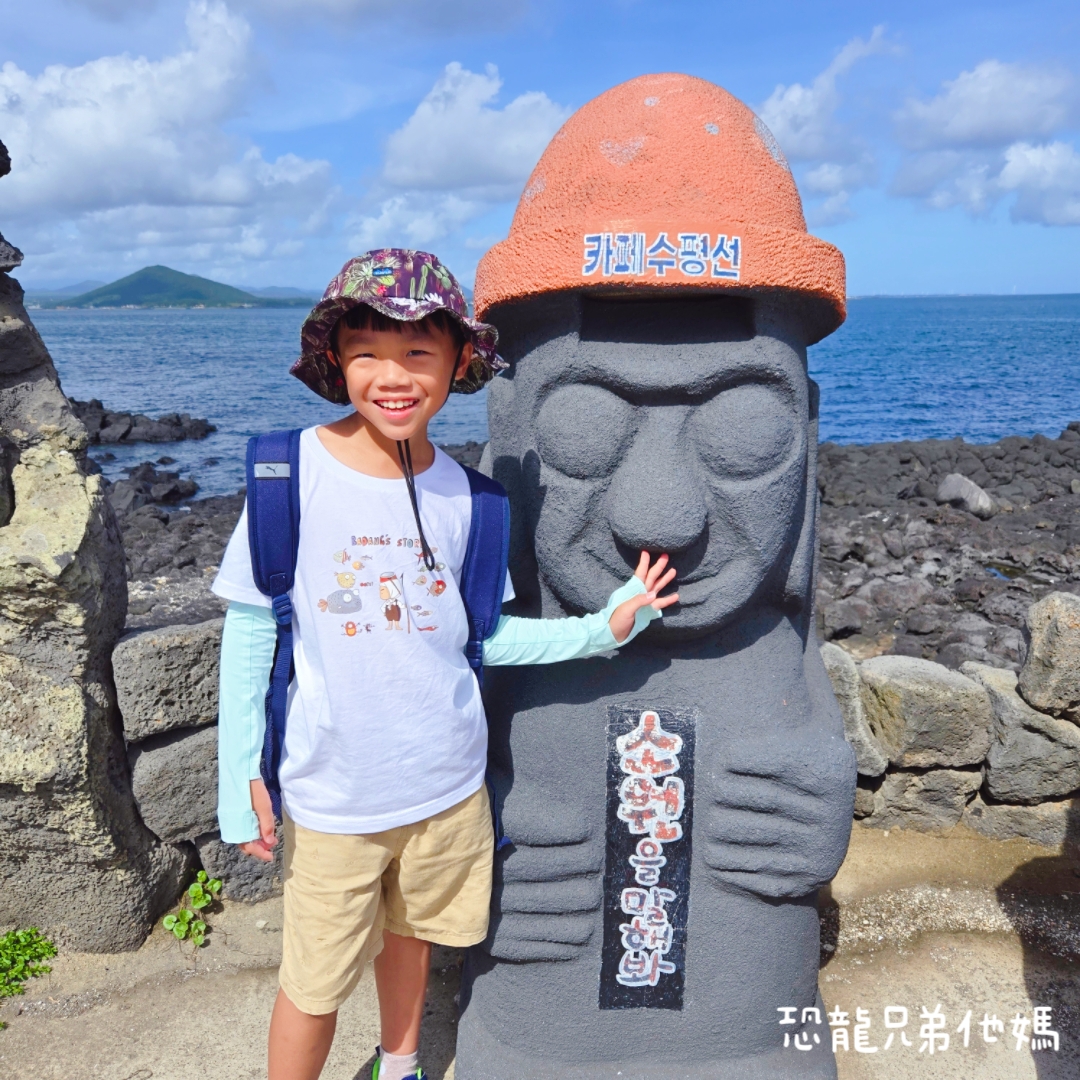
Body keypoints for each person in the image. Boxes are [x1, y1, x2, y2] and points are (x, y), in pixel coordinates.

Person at [211, 250, 679, 1080]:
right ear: (335, 361)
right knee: (312, 983)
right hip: (334, 797)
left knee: (413, 939)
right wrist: (237, 777)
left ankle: (402, 1066)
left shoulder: (472, 499)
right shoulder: (289, 476)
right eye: (367, 353)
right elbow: (252, 633)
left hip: (447, 788)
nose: (392, 378)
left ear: (459, 362)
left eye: (417, 353)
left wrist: (602, 627)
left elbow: (483, 639)